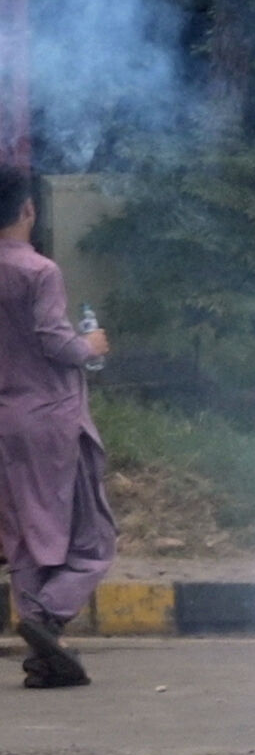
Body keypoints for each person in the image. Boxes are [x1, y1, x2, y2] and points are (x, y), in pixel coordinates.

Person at [0, 164, 113, 687]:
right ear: (28, 210)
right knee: (92, 537)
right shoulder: (39, 271)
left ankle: (45, 662)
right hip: (52, 419)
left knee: (26, 536)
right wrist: (87, 345)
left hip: (7, 421)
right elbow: (53, 340)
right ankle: (46, 617)